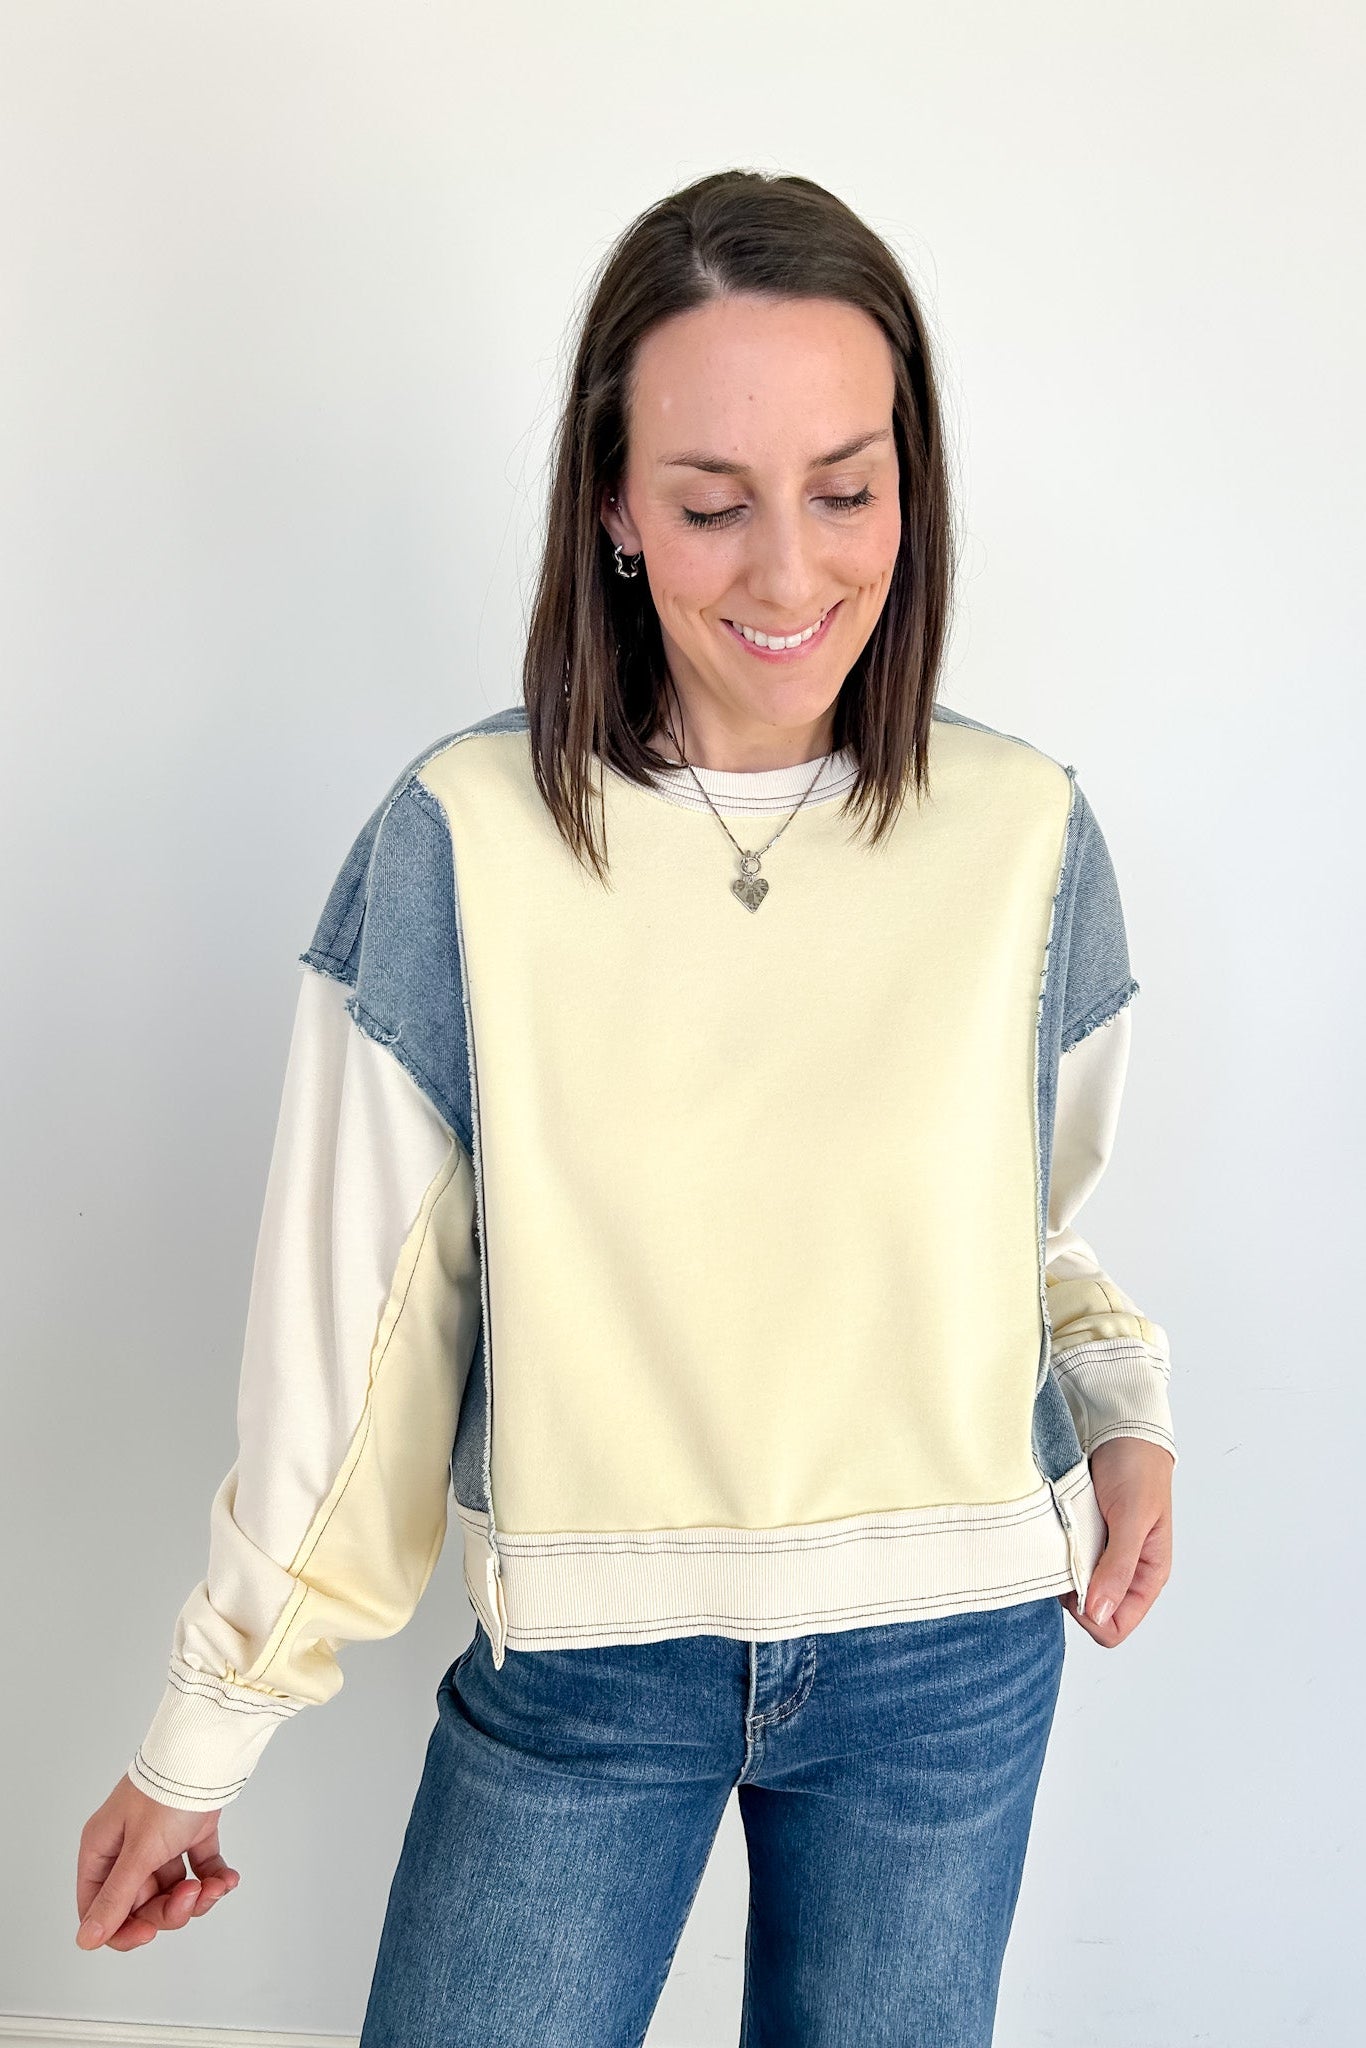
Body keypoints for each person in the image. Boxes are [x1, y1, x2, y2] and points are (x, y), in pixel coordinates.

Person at [76, 168, 1176, 2044]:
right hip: (589, 1664)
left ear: (911, 488)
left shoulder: (1027, 835)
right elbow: (355, 1350)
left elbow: (1032, 1227)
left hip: (957, 1653)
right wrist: (211, 1724)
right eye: (707, 500)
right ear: (609, 502)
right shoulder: (463, 843)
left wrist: (1122, 1407)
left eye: (846, 489)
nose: (787, 570)